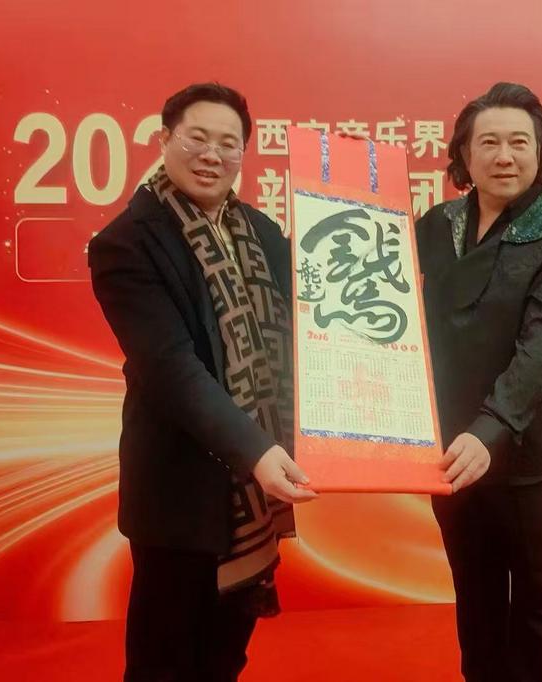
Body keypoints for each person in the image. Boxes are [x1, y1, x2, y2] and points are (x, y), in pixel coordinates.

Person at [88, 82, 317, 682]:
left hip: (253, 489)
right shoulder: (125, 244)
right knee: (164, 660)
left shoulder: (263, 233)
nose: (212, 154)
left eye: (228, 143)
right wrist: (255, 450)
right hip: (179, 490)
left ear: (243, 152)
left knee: (224, 655)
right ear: (165, 139)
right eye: (198, 138)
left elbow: (316, 329)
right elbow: (169, 367)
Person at [416, 82, 542, 682]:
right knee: (476, 591)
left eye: (519, 143)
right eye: (489, 143)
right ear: (463, 155)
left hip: (528, 451)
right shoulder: (435, 225)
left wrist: (491, 427)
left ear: (540, 154)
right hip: (452, 450)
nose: (504, 157)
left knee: (541, 596)